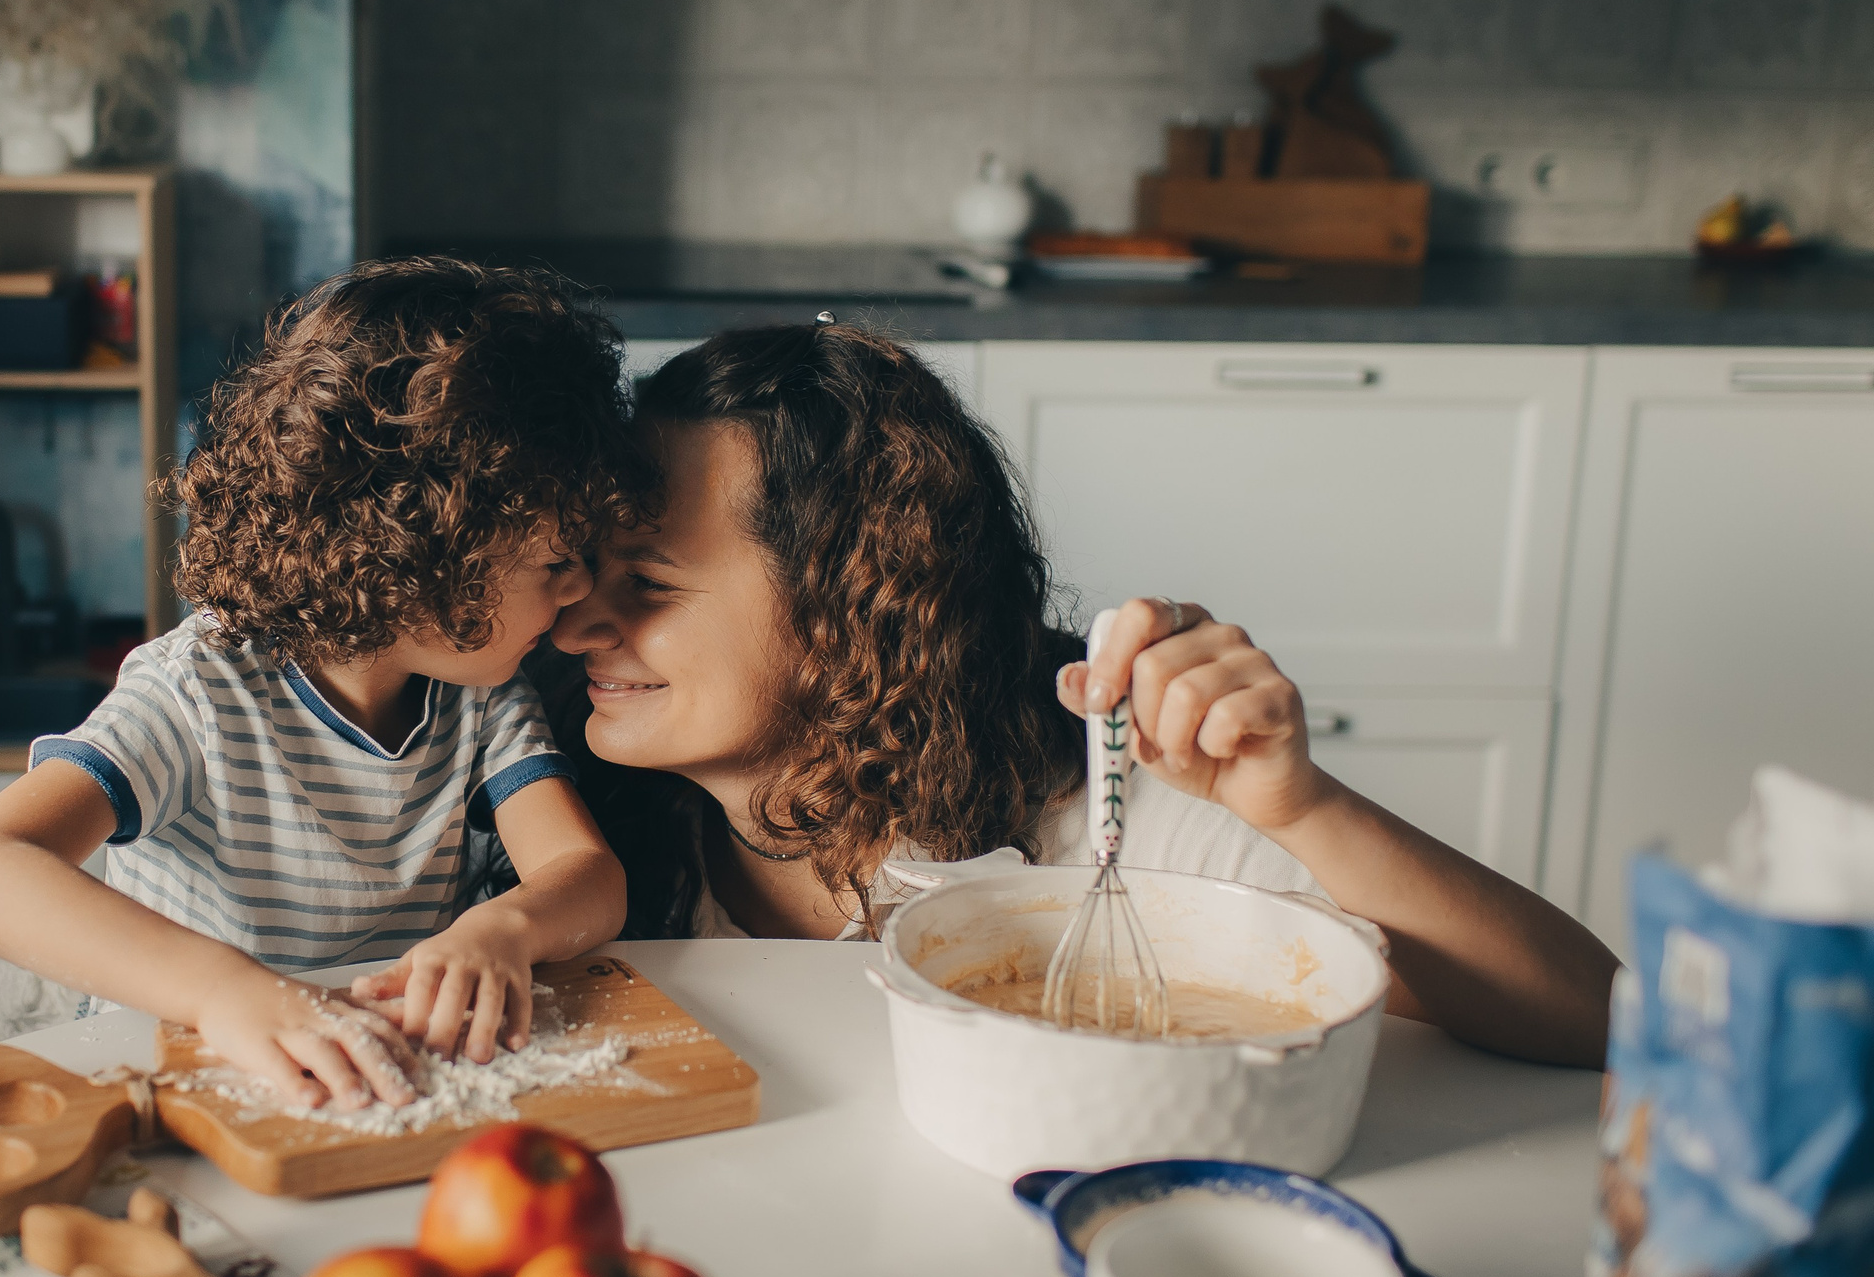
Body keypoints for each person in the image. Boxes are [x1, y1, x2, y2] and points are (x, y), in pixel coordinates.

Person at [544, 321, 1618, 1067]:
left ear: (849, 610)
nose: (576, 621)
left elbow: (1593, 1017)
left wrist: (1300, 808)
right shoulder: (569, 817)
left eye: (646, 582)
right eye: (584, 569)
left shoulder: (1109, 804)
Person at [0, 258, 652, 1109]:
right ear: (421, 555)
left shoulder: (483, 697)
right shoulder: (196, 693)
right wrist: (223, 992)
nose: (576, 597)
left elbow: (587, 875)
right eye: (558, 562)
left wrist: (503, 930)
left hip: (370, 1081)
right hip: (169, 1078)